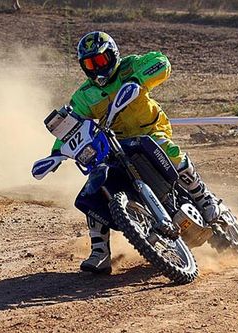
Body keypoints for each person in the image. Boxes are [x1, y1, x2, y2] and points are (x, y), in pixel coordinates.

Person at [51, 31, 221, 274]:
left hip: (151, 130)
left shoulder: (130, 66)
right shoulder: (84, 95)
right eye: (90, 64)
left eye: (101, 60)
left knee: (166, 149)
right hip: (115, 142)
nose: (97, 67)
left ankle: (202, 196)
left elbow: (161, 62)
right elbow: (71, 125)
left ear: (113, 55)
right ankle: (100, 252)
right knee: (97, 184)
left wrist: (139, 80)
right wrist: (56, 153)